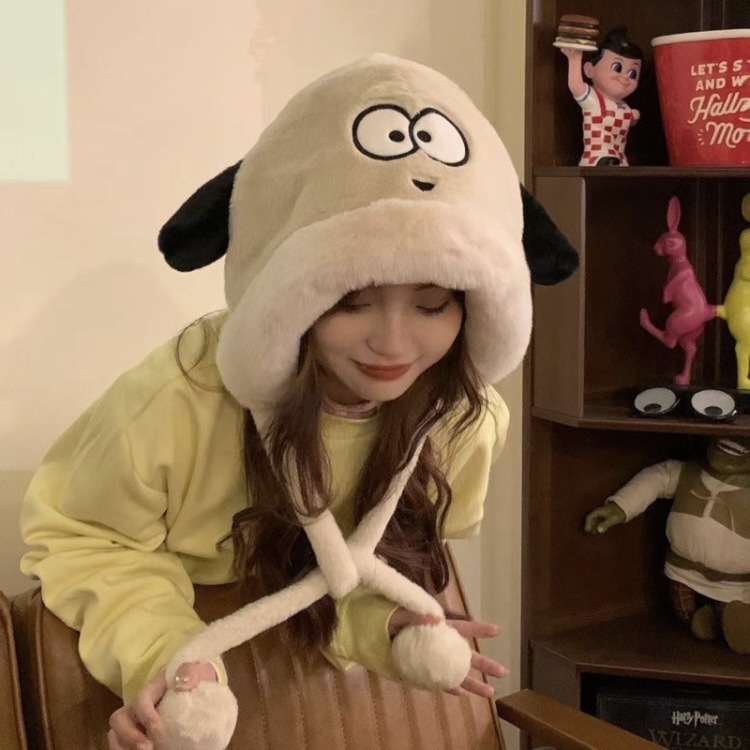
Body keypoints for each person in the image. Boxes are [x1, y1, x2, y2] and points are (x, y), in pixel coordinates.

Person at [19, 54, 577, 750]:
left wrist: (390, 626)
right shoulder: (180, 398)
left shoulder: (462, 423)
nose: (393, 344)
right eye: (352, 299)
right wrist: (169, 656)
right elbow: (82, 534)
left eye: (433, 302)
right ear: (291, 292)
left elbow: (367, 562)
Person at [560, 26, 643, 166]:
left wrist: (633, 116)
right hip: (598, 156)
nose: (625, 77)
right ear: (589, 70)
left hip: (621, 157)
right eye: (617, 67)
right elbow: (575, 85)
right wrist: (574, 59)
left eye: (633, 73)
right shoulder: (593, 99)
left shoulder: (623, 105)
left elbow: (628, 118)